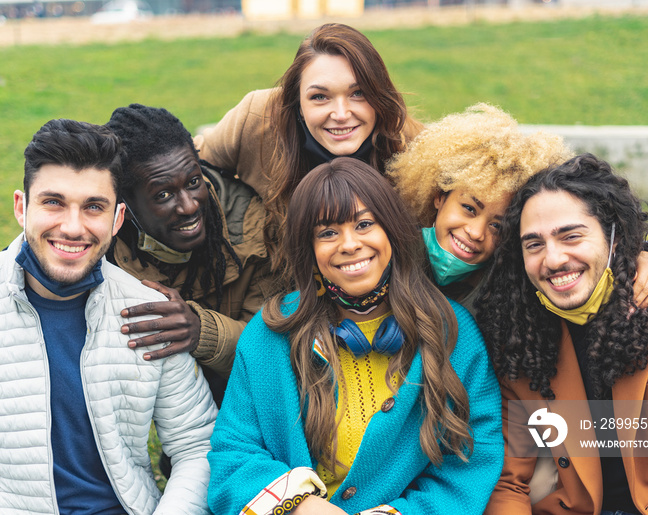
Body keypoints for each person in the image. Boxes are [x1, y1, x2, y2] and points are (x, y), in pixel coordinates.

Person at [207, 158, 504, 514]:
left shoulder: (454, 335)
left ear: (392, 230)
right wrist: (301, 507)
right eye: (327, 232)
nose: (349, 244)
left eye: (364, 224)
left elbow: (470, 466)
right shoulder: (270, 333)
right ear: (309, 249)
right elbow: (234, 451)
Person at [0, 119, 217, 514]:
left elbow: (198, 443)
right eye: (53, 202)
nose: (72, 227)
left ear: (117, 220)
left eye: (93, 208)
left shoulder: (146, 310)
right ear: (21, 207)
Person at [477, 154, 648, 515]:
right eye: (534, 244)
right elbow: (508, 482)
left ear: (615, 238)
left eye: (571, 236)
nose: (553, 259)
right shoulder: (520, 341)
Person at [386, 103, 648, 316]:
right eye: (469, 209)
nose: (475, 232)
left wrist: (644, 258)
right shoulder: (389, 252)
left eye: (497, 225)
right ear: (438, 196)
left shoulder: (516, 282)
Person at [194, 23, 424, 272]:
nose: (340, 114)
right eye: (319, 97)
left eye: (358, 93)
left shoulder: (413, 148)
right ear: (297, 103)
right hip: (276, 284)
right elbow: (182, 169)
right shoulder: (257, 119)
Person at [106, 104, 273, 408]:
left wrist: (200, 330)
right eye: (164, 195)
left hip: (244, 406)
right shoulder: (102, 239)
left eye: (193, 182)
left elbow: (270, 349)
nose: (189, 206)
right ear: (126, 203)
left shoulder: (250, 225)